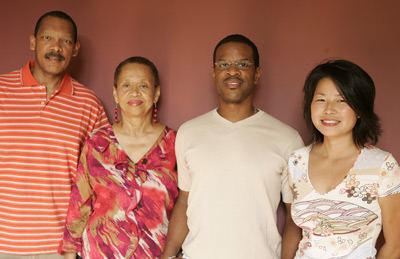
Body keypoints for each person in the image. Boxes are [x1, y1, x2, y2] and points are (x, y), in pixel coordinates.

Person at [161, 34, 304, 259]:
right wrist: (168, 255)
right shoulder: (189, 132)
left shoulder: (287, 139)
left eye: (243, 64)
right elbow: (184, 201)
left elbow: (294, 215)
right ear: (214, 72)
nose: (233, 71)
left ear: (257, 74)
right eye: (224, 64)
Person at [0, 11, 108, 257]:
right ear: (32, 42)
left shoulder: (90, 104)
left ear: (76, 48)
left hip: (59, 247)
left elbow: (100, 179)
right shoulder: (1, 89)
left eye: (65, 41)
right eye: (47, 37)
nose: (56, 48)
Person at [58, 56, 178, 258]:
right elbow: (79, 204)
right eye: (126, 85)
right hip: (100, 252)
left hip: (157, 254)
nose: (134, 92)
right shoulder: (97, 144)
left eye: (143, 85)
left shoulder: (175, 144)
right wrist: (69, 253)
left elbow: (187, 206)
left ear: (156, 93)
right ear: (115, 93)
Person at [282, 60, 400, 259]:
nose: (329, 109)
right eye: (320, 100)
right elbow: (293, 228)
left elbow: (395, 245)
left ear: (360, 109)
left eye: (341, 100)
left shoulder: (382, 165)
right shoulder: (297, 161)